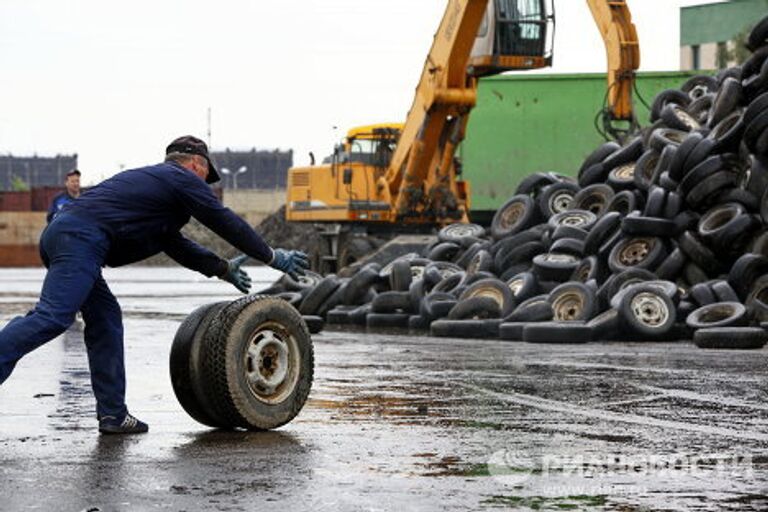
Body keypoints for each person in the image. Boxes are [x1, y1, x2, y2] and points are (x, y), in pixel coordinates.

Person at [0, 135, 309, 435]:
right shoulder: (179, 178)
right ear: (196, 165)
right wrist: (271, 256)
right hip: (80, 238)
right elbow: (222, 219)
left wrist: (222, 268)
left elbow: (174, 244)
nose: (205, 185)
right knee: (53, 316)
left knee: (105, 321)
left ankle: (113, 415)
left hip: (69, 235)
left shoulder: (156, 194)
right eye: (205, 176)